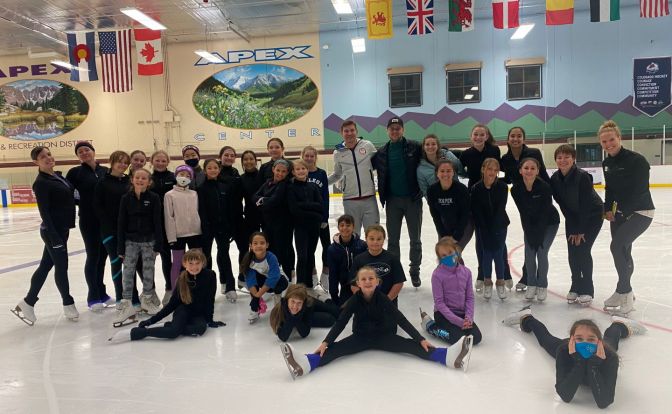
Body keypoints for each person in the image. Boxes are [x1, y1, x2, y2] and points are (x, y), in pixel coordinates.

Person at [279, 267, 474, 379]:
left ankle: (448, 357)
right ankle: (306, 363)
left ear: (377, 281)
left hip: (383, 336)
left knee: (411, 346)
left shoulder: (382, 298)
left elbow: (400, 318)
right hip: (361, 337)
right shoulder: (354, 300)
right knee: (335, 351)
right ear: (358, 283)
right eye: (363, 279)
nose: (367, 281)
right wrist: (326, 342)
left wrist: (420, 339)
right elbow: (340, 323)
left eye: (371, 278)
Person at [502, 306, 647, 409]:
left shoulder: (608, 356)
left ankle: (619, 324)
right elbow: (565, 395)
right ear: (572, 340)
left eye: (591, 339)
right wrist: (578, 360)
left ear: (598, 342)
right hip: (570, 350)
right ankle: (527, 317)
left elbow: (604, 402)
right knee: (545, 340)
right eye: (579, 339)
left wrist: (594, 363)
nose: (585, 343)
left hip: (602, 350)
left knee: (612, 340)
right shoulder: (564, 350)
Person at [11, 147, 79, 325]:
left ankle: (28, 303)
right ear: (36, 162)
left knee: (45, 266)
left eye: (49, 154)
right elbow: (45, 212)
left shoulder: (56, 176)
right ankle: (68, 303)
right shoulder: (41, 182)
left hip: (62, 229)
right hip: (52, 232)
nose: (48, 158)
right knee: (61, 267)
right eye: (43, 157)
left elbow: (69, 198)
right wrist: (54, 236)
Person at [109, 250, 224, 343]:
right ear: (185, 264)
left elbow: (210, 300)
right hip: (183, 311)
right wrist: (151, 321)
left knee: (199, 330)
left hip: (198, 314)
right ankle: (138, 333)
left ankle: (168, 325)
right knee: (173, 333)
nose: (194, 267)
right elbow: (172, 304)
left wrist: (210, 320)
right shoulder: (182, 279)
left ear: (203, 263)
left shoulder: (210, 275)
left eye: (197, 263)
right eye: (191, 263)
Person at [600, 120, 655, 315]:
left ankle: (625, 292)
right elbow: (610, 189)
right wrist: (608, 209)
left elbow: (640, 190)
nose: (608, 144)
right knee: (623, 251)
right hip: (619, 213)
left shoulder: (637, 160)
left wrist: (625, 211)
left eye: (611, 140)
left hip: (641, 212)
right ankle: (622, 290)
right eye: (604, 142)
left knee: (616, 246)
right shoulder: (607, 163)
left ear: (619, 138)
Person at [372, 117, 423, 287]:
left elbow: (433, 153)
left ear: (403, 130)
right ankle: (395, 272)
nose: (395, 131)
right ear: (387, 130)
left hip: (412, 200)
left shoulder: (414, 147)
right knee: (393, 240)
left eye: (398, 128)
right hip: (393, 201)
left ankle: (414, 270)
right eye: (392, 128)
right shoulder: (381, 153)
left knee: (415, 239)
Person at [551, 145, 604, 306]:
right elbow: (562, 205)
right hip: (573, 217)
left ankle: (587, 288)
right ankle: (575, 285)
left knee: (583, 250)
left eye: (567, 157)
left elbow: (586, 205)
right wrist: (573, 227)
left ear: (573, 159)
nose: (563, 160)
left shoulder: (583, 177)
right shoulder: (555, 179)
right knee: (572, 251)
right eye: (559, 157)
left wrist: (580, 230)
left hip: (592, 215)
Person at [500, 126, 549, 291]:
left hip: (538, 197)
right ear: (508, 139)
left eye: (519, 136)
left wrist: (548, 194)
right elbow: (508, 179)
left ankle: (530, 277)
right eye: (512, 136)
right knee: (529, 235)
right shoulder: (505, 158)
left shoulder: (534, 153)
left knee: (537, 238)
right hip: (522, 199)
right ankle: (528, 275)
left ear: (523, 138)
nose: (515, 139)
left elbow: (543, 174)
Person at [113, 168, 163, 327]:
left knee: (148, 270)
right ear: (132, 180)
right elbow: (121, 222)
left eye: (144, 178)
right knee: (128, 271)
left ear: (149, 182)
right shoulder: (125, 198)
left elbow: (158, 221)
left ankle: (147, 298)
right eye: (137, 177)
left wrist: (159, 243)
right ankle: (127, 303)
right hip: (130, 242)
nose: (140, 180)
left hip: (149, 241)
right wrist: (120, 247)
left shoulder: (154, 198)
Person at [65, 141, 111, 310]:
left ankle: (102, 293)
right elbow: (68, 194)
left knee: (103, 257)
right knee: (93, 256)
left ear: (93, 151)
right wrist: (83, 204)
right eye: (80, 152)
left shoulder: (105, 171)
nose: (84, 153)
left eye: (86, 150)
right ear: (78, 156)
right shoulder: (75, 173)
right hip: (88, 220)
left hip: (105, 221)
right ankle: (93, 296)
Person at [93, 150, 139, 306]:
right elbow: (98, 207)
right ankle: (120, 298)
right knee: (116, 262)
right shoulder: (102, 182)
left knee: (130, 264)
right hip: (110, 231)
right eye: (120, 161)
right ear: (112, 162)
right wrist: (111, 225)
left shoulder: (129, 182)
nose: (123, 165)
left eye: (126, 162)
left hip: (128, 231)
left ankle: (133, 297)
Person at [511, 158, 560, 302]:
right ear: (520, 170)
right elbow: (523, 213)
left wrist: (537, 236)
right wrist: (529, 232)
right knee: (529, 253)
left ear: (538, 171)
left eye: (533, 168)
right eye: (526, 168)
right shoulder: (516, 189)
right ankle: (531, 284)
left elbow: (545, 213)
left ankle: (542, 285)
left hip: (549, 223)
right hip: (530, 224)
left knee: (541, 252)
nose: (529, 171)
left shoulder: (544, 187)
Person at [421, 237, 481, 346]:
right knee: (459, 339)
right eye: (444, 255)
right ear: (440, 258)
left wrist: (468, 318)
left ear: (456, 251)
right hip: (443, 315)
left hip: (462, 314)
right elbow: (439, 303)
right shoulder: (437, 275)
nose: (448, 257)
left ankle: (458, 326)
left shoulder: (466, 272)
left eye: (450, 252)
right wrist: (458, 322)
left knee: (476, 338)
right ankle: (431, 327)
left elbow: (469, 298)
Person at [328, 120, 379, 236]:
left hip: (369, 199)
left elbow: (380, 164)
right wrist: (321, 182)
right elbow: (337, 175)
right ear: (341, 133)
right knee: (353, 236)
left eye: (352, 130)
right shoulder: (338, 152)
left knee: (373, 234)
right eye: (346, 131)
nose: (349, 133)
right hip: (349, 201)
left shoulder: (368, 146)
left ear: (357, 131)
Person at [198, 159, 237, 302]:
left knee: (224, 255)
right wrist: (205, 228)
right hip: (207, 228)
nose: (213, 170)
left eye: (215, 167)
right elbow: (201, 210)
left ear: (219, 169)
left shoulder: (224, 186)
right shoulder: (201, 189)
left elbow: (229, 209)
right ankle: (207, 289)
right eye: (210, 168)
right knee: (206, 257)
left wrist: (231, 227)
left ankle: (229, 286)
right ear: (205, 170)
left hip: (223, 228)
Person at [470, 158, 509, 300]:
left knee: (498, 254)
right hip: (483, 227)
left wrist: (494, 228)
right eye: (489, 169)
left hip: (499, 226)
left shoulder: (502, 187)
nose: (492, 172)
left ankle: (500, 282)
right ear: (483, 169)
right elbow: (477, 211)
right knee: (486, 254)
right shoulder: (476, 188)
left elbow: (500, 208)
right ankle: (487, 281)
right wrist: (485, 229)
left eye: (495, 170)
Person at [287, 159, 326, 299]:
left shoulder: (313, 187)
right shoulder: (291, 188)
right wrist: (312, 208)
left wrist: (304, 205)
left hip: (314, 226)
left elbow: (320, 206)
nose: (301, 171)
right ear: (293, 172)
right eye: (298, 169)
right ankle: (300, 286)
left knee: (310, 255)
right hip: (300, 227)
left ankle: (309, 285)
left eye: (303, 168)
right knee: (302, 256)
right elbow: (294, 210)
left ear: (307, 170)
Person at [164, 165, 202, 290]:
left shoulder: (194, 194)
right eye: (181, 174)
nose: (184, 177)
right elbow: (169, 217)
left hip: (195, 233)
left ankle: (198, 289)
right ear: (176, 176)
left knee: (197, 262)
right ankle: (176, 291)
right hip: (178, 235)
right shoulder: (169, 195)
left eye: (188, 175)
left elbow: (197, 211)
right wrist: (171, 237)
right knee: (177, 263)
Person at [254, 159, 293, 276]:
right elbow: (254, 196)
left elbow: (275, 200)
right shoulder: (268, 182)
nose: (280, 173)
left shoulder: (285, 185)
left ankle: (288, 278)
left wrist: (262, 200)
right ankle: (273, 277)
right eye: (278, 170)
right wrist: (264, 200)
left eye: (283, 171)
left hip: (282, 225)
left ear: (287, 173)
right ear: (273, 169)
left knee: (283, 252)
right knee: (271, 251)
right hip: (268, 224)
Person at [241, 232, 290, 324]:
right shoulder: (249, 259)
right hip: (264, 281)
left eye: (262, 243)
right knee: (253, 281)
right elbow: (250, 280)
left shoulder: (271, 257)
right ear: (251, 246)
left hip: (278, 281)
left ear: (267, 245)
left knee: (280, 283)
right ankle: (255, 309)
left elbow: (273, 278)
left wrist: (258, 296)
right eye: (255, 243)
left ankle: (278, 302)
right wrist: (255, 297)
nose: (259, 246)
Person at [351, 225, 405, 305]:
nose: (375, 242)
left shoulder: (392, 259)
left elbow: (399, 282)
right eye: (372, 239)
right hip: (365, 305)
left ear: (384, 239)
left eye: (379, 239)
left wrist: (387, 300)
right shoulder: (358, 260)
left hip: (388, 305)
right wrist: (364, 300)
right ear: (366, 239)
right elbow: (354, 285)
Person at [301, 146, 331, 290]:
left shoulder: (321, 173)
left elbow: (325, 196)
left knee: (327, 246)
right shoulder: (300, 173)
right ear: (302, 156)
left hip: (321, 217)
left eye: (311, 156)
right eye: (306, 156)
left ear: (315, 157)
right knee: (309, 249)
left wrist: (325, 217)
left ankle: (326, 273)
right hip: (307, 219)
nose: (309, 158)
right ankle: (312, 273)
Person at [149, 150, 176, 305]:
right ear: (152, 161)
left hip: (173, 223)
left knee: (176, 258)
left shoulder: (173, 177)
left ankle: (176, 288)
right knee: (163, 258)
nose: (160, 163)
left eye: (163, 160)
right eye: (157, 160)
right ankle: (165, 289)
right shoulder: (148, 178)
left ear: (168, 162)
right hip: (155, 225)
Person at [270, 284, 340, 342]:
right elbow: (283, 337)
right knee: (330, 319)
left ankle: (323, 298)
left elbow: (304, 333)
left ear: (303, 303)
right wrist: (292, 316)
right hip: (305, 315)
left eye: (299, 303)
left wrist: (295, 316)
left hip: (310, 305)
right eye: (293, 301)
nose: (295, 306)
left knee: (335, 312)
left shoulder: (307, 304)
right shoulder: (280, 309)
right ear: (287, 299)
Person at [426, 160, 471, 248]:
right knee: (444, 252)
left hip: (464, 226)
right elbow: (435, 215)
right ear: (437, 173)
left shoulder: (462, 190)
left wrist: (456, 236)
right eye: (442, 171)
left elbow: (465, 214)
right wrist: (443, 235)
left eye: (448, 171)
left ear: (453, 173)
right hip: (445, 224)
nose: (445, 174)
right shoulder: (432, 190)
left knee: (453, 252)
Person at [326, 214, 367, 305]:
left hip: (361, 285)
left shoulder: (362, 245)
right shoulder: (332, 249)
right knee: (344, 307)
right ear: (338, 227)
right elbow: (333, 274)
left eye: (348, 225)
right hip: (345, 286)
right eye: (342, 225)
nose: (345, 228)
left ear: (353, 227)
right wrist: (334, 295)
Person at [238, 150, 264, 287]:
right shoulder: (240, 179)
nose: (248, 161)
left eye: (251, 159)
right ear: (242, 162)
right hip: (249, 217)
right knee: (247, 249)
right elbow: (237, 201)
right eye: (245, 159)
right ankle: (243, 276)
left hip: (265, 216)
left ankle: (263, 276)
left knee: (264, 248)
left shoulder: (262, 176)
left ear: (255, 160)